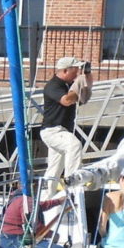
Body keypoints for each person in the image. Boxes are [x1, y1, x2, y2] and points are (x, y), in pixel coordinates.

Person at [40, 56, 93, 199]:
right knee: (74, 145)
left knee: (54, 168)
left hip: (62, 131)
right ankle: (72, 183)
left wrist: (87, 73)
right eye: (75, 70)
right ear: (65, 71)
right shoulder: (53, 86)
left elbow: (87, 87)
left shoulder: (68, 85)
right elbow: (66, 100)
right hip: (53, 131)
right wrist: (77, 87)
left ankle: (45, 200)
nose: (77, 73)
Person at [0, 192, 66, 248]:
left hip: (6, 241)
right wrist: (53, 235)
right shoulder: (26, 202)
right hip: (15, 243)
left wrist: (58, 201)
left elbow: (40, 205)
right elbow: (32, 226)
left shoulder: (20, 200)